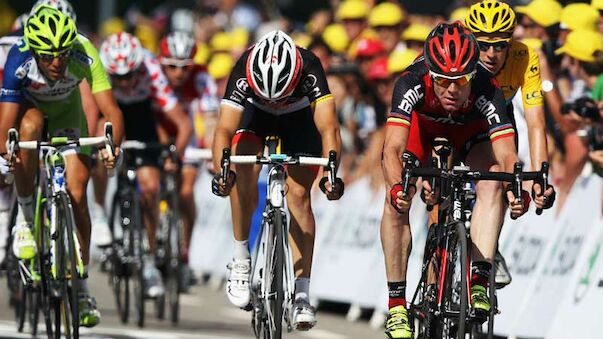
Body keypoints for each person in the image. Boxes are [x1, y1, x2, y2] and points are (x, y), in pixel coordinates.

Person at [380, 22, 528, 339]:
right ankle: (396, 305)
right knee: (397, 200)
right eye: (443, 81)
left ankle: (479, 279)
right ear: (430, 73)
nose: (451, 89)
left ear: (472, 75)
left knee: (491, 182)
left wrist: (515, 187)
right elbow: (391, 148)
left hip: (471, 136)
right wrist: (396, 188)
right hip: (424, 133)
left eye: (460, 80)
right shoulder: (410, 82)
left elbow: (506, 154)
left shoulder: (489, 89)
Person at [0, 5, 124, 327]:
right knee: (28, 127)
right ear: (34, 51)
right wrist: (7, 157)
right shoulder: (19, 57)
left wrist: (113, 147)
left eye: (62, 55)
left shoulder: (84, 51)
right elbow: (6, 127)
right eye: (47, 56)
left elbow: (110, 109)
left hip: (68, 118)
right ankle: (26, 218)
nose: (56, 63)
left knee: (78, 194)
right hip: (31, 113)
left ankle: (81, 288)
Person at [211, 30, 343, 331]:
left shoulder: (310, 67)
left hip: (300, 121)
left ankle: (301, 294)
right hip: (255, 116)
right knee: (240, 172)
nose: (277, 101)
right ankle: (241, 257)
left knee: (298, 195)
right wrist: (222, 170)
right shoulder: (243, 68)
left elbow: (329, 129)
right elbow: (223, 130)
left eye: (281, 94)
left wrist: (331, 174)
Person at [465, 0, 556, 287]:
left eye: (500, 45)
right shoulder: (461, 54)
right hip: (459, 121)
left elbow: (535, 122)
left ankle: (490, 248)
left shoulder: (526, 55)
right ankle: (433, 282)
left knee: (505, 176)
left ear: (512, 40)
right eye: (483, 45)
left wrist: (541, 176)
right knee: (440, 199)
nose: (492, 54)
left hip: (497, 120)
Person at [99, 32, 192, 299]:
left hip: (141, 116)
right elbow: (93, 116)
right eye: (119, 78)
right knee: (94, 153)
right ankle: (100, 214)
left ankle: (149, 259)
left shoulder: (151, 71)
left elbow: (183, 124)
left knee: (150, 188)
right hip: (109, 111)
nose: (126, 83)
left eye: (131, 76)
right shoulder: (99, 73)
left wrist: (174, 157)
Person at [156, 31, 219, 290]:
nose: (179, 73)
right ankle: (154, 232)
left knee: (184, 192)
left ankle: (184, 252)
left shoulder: (202, 78)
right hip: (159, 130)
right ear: (162, 63)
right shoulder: (155, 76)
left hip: (190, 138)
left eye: (185, 67)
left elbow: (211, 120)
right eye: (172, 66)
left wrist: (215, 153)